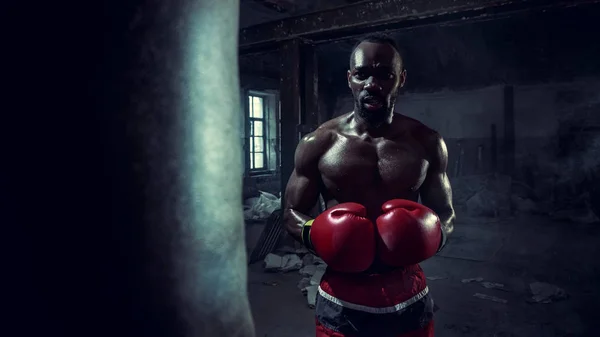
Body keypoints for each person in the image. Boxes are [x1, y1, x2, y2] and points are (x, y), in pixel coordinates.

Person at [283, 33, 456, 337]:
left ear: (401, 79)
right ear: (350, 79)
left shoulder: (427, 143)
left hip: (407, 292)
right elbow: (292, 212)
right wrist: (318, 235)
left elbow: (447, 214)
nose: (372, 84)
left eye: (384, 74)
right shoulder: (318, 143)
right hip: (341, 296)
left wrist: (430, 236)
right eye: (362, 74)